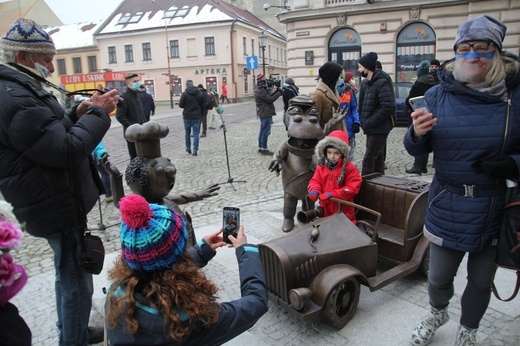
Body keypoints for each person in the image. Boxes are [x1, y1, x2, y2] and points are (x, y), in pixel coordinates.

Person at [0, 18, 120, 346]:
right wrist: (98, 113)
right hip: (55, 202)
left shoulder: (18, 87)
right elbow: (63, 149)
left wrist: (76, 115)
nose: (52, 66)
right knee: (76, 282)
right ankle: (74, 340)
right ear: (23, 57)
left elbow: (46, 137)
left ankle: (73, 330)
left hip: (51, 197)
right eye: (47, 59)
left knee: (67, 273)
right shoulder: (15, 95)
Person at [404, 15, 520, 346]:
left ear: (496, 52)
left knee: (480, 282)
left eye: (481, 47)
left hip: (494, 206)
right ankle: (437, 312)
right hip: (448, 201)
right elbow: (416, 147)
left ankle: (468, 330)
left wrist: (512, 163)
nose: (472, 55)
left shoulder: (515, 97)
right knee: (438, 276)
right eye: (464, 48)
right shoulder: (438, 94)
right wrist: (416, 132)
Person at [105, 194, 268, 345]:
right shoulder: (186, 321)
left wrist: (200, 251)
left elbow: (161, 266)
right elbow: (256, 302)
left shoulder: (117, 292)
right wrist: (246, 251)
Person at [307, 130, 362, 223]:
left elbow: (352, 188)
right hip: (325, 207)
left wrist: (333, 194)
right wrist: (314, 190)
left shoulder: (350, 168)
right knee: (326, 229)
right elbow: (315, 180)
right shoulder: (321, 166)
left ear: (342, 153)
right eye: (329, 152)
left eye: (336, 153)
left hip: (343, 209)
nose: (332, 157)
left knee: (344, 232)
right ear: (325, 152)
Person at [357, 51, 395, 175]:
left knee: (368, 160)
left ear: (367, 67)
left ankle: (366, 191)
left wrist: (369, 122)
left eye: (360, 67)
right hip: (372, 128)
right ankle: (380, 186)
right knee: (377, 159)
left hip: (379, 127)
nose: (359, 70)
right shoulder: (369, 83)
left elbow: (388, 106)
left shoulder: (381, 82)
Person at [404, 59, 440, 175]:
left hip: (419, 115)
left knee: (419, 137)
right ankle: (423, 166)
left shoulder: (419, 82)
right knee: (427, 137)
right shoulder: (433, 81)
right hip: (431, 114)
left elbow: (410, 99)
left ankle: (418, 165)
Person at [116, 73, 146, 160]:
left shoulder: (137, 95)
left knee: (143, 156)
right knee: (135, 159)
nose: (137, 83)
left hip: (142, 132)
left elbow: (141, 113)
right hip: (132, 134)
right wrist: (131, 126)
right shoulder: (124, 97)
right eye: (135, 81)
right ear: (128, 82)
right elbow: (119, 116)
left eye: (138, 81)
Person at [311, 61, 346, 134]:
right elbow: (314, 123)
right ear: (332, 76)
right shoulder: (318, 95)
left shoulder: (334, 91)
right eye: (338, 76)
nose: (340, 79)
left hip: (338, 136)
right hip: (327, 139)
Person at [254, 73, 283, 155]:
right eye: (264, 79)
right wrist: (279, 92)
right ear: (261, 80)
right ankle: (264, 148)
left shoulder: (260, 88)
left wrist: (274, 90)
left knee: (262, 131)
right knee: (266, 131)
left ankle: (261, 147)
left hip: (264, 112)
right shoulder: (260, 90)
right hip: (265, 112)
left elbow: (268, 95)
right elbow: (269, 99)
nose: (266, 80)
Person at [336, 71, 360, 161]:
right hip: (338, 127)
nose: (354, 80)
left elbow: (354, 109)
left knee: (349, 154)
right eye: (352, 79)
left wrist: (356, 122)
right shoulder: (335, 92)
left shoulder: (350, 93)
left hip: (349, 127)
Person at [179, 79, 204, 156]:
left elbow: (181, 105)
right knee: (196, 133)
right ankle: (195, 150)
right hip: (196, 116)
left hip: (187, 116)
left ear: (186, 85)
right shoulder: (199, 93)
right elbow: (202, 104)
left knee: (187, 132)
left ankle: (188, 148)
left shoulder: (184, 94)